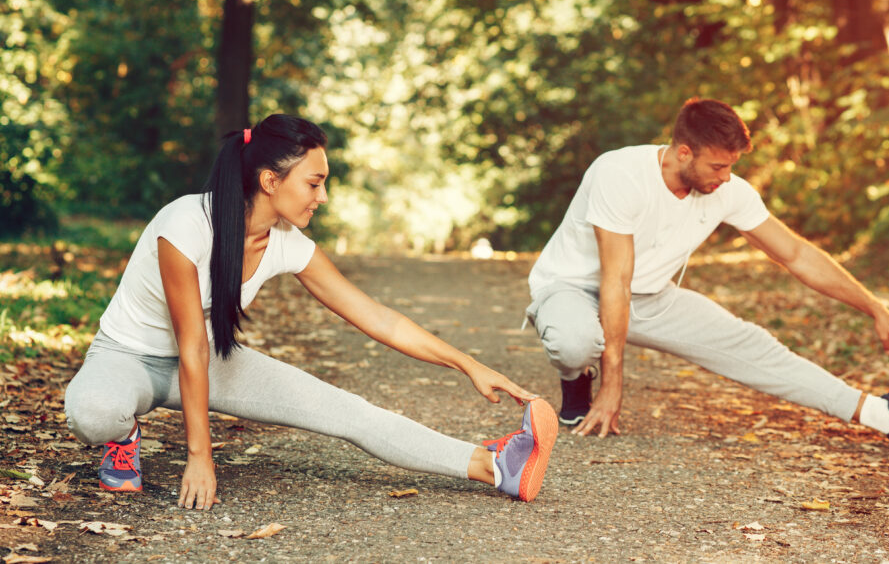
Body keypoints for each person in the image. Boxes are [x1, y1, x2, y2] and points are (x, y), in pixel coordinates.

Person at [64, 114, 557, 508]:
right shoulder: (185, 224)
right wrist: (200, 457)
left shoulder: (285, 243)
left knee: (347, 412)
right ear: (270, 180)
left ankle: (495, 465)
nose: (323, 196)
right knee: (94, 413)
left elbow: (376, 317)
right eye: (314, 183)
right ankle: (125, 436)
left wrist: (468, 365)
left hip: (208, 358)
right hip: (128, 356)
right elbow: (188, 342)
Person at [525, 98, 889, 444]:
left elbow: (795, 255)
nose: (726, 177)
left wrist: (876, 308)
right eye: (718, 166)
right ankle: (577, 377)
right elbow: (615, 279)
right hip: (571, 288)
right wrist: (612, 387)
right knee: (577, 340)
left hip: (648, 296)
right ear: (683, 152)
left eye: (732, 166)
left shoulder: (728, 189)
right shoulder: (619, 173)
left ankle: (885, 416)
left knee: (751, 345)